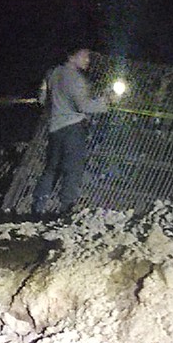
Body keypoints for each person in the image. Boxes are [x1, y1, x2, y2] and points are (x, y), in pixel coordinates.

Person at [32, 47, 114, 216]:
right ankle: (66, 208)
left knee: (51, 168)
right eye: (84, 56)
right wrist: (106, 101)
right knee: (73, 169)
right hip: (73, 129)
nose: (87, 60)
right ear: (71, 56)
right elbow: (84, 106)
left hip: (55, 127)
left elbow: (42, 99)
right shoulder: (76, 78)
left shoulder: (52, 73)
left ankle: (38, 204)